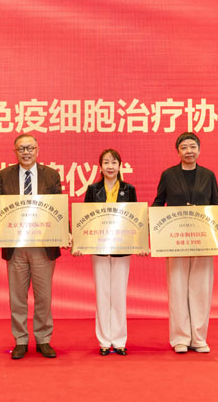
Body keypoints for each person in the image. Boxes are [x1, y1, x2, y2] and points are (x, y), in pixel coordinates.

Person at [0, 133, 64, 359]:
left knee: (44, 297)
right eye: (21, 149)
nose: (26, 152)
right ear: (15, 152)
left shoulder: (51, 175)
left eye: (30, 148)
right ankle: (21, 340)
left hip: (43, 245)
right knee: (17, 297)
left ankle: (43, 339)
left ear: (37, 150)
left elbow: (58, 207)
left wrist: (66, 232)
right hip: (15, 244)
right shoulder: (4, 175)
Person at [153, 132, 218, 354]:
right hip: (175, 240)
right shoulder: (168, 175)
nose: (189, 151)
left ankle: (199, 338)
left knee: (201, 288)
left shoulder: (209, 175)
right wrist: (152, 225)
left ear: (199, 150)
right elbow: (158, 203)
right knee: (178, 288)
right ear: (178, 151)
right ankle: (180, 338)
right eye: (184, 147)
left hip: (203, 240)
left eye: (193, 147)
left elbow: (215, 205)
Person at [83, 148, 138, 356]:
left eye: (114, 162)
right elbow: (85, 218)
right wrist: (81, 244)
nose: (110, 166)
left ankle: (120, 340)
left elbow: (135, 218)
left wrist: (139, 244)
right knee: (102, 293)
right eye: (106, 162)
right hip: (98, 247)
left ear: (120, 166)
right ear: (100, 167)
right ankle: (104, 341)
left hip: (122, 247)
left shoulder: (129, 189)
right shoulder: (92, 189)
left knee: (119, 294)